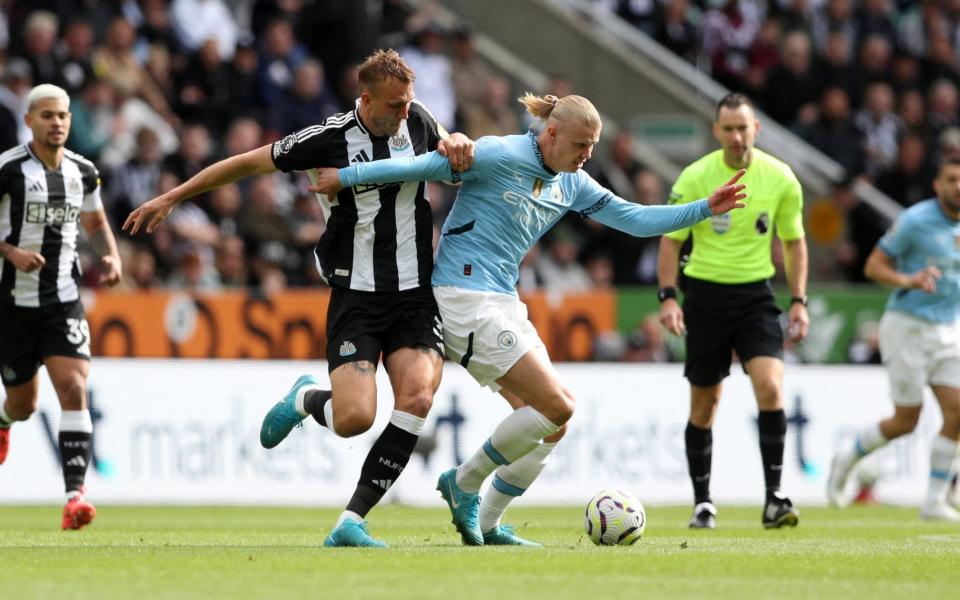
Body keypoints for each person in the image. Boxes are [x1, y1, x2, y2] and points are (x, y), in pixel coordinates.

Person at [309, 92, 747, 545]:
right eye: (581, 145)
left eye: (593, 146)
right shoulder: (500, 154)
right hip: (462, 298)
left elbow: (635, 218)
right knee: (559, 404)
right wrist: (347, 175)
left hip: (502, 301)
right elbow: (418, 167)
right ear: (552, 133)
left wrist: (703, 209)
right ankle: (462, 483)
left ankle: (489, 523)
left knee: (553, 424)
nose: (587, 155)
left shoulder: (573, 183)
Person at [123, 49, 474, 548]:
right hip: (356, 295)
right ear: (366, 98)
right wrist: (173, 196)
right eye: (394, 105)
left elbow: (450, 145)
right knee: (354, 419)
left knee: (417, 395)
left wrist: (457, 140)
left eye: (408, 104)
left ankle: (352, 520)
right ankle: (307, 399)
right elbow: (245, 164)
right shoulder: (328, 138)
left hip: (416, 292)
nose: (404, 113)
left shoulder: (415, 118)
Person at [656, 93, 808, 530]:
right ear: (716, 131)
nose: (738, 136)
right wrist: (668, 296)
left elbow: (794, 242)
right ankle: (703, 501)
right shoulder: (696, 175)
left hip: (756, 297)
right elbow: (671, 239)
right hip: (704, 297)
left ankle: (774, 498)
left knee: (772, 389)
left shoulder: (781, 179)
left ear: (756, 129)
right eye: (729, 128)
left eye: (744, 127)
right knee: (705, 405)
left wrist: (799, 300)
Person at [0, 84, 122, 529]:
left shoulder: (83, 172)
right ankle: (3, 420)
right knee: (24, 404)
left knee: (73, 388)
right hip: (12, 303)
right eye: (48, 115)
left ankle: (75, 498)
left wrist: (110, 254)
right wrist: (11, 253)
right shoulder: (8, 170)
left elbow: (95, 219)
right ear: (29, 120)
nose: (57, 123)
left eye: (63, 115)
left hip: (62, 300)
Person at [826, 156, 960, 522]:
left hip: (949, 329)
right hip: (908, 327)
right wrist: (909, 280)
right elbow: (873, 266)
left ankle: (933, 502)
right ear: (937, 184)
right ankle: (847, 458)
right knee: (906, 421)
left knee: (957, 412)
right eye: (951, 179)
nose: (958, 186)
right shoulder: (916, 221)